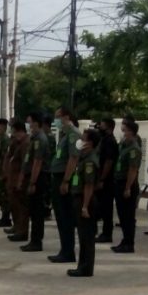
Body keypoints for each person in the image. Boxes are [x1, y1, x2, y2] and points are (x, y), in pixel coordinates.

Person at [48, 108, 80, 263]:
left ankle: (68, 252)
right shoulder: (65, 135)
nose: (56, 120)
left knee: (66, 216)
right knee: (61, 217)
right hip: (58, 177)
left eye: (58, 117)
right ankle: (64, 250)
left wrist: (66, 181)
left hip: (64, 178)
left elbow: (73, 158)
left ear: (67, 117)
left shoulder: (73, 134)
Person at [69, 127, 101, 278]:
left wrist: (85, 206)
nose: (80, 141)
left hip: (85, 200)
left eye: (83, 139)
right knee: (83, 235)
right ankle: (82, 266)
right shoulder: (84, 157)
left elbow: (89, 185)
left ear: (90, 143)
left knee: (87, 236)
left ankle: (86, 268)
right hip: (80, 198)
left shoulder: (90, 161)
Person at [21, 113, 51, 252]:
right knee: (33, 211)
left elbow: (37, 162)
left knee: (37, 212)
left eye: (30, 122)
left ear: (36, 123)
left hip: (39, 178)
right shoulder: (35, 138)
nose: (29, 125)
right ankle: (34, 240)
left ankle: (36, 242)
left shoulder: (40, 139)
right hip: (35, 177)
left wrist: (32, 182)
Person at [111, 119, 142, 253]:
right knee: (122, 215)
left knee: (128, 216)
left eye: (125, 131)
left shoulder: (134, 149)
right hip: (119, 182)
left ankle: (129, 243)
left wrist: (128, 187)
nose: (123, 134)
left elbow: (133, 169)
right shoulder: (124, 146)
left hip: (127, 183)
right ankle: (125, 240)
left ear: (132, 132)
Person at [95, 118, 119, 243]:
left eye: (102, 125)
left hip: (107, 180)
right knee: (102, 207)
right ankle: (104, 232)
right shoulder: (104, 139)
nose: (100, 127)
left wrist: (102, 178)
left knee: (106, 207)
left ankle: (107, 233)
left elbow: (109, 161)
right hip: (104, 178)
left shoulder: (109, 141)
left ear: (109, 127)